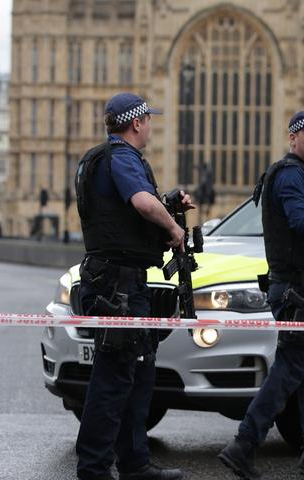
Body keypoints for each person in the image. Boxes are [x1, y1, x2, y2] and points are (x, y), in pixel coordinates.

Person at [217, 111, 304, 479]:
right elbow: (301, 221)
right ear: (293, 137)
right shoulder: (292, 175)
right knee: (289, 370)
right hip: (296, 291)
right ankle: (243, 445)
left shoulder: (302, 174)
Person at [74, 92, 191, 480]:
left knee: (137, 374)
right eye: (149, 120)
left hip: (117, 281)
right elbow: (141, 202)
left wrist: (168, 202)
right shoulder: (121, 157)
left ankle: (134, 462)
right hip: (118, 286)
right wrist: (173, 227)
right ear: (136, 122)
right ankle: (93, 468)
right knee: (114, 378)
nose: (151, 126)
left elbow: (125, 212)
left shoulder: (99, 159)